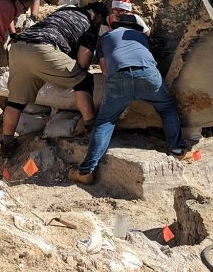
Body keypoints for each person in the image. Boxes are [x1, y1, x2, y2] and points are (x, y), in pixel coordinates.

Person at [68, 14, 187, 185]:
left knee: (105, 122)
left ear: (113, 27)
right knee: (167, 107)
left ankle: (86, 171)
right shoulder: (141, 37)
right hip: (148, 74)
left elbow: (104, 70)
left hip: (118, 77)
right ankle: (178, 150)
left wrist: (123, 85)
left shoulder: (106, 37)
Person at [0, 2, 110, 156]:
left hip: (18, 46)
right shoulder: (89, 25)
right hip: (42, 49)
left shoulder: (66, 10)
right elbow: (83, 62)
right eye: (100, 22)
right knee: (83, 80)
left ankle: (7, 144)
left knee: (16, 101)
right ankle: (92, 129)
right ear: (97, 17)